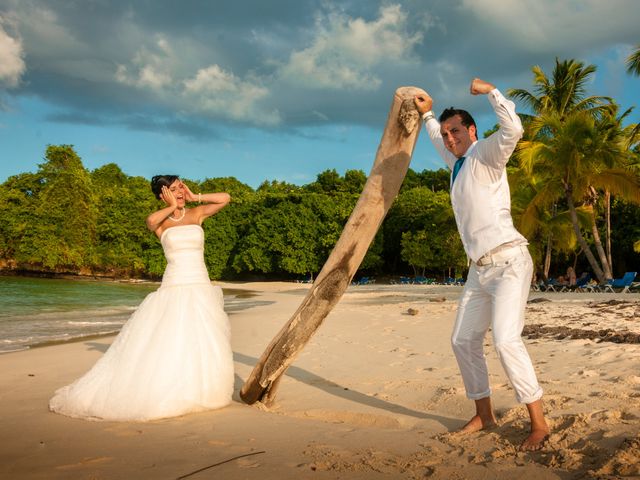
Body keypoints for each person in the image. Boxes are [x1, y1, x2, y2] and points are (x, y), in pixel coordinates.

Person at [414, 78, 549, 451]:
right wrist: (428, 114)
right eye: (446, 133)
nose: (450, 137)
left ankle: (538, 423)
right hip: (479, 269)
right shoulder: (456, 164)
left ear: (471, 130)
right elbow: (436, 141)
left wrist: (491, 92)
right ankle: (484, 414)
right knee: (462, 339)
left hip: (509, 262)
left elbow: (514, 128)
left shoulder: (487, 152)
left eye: (455, 130)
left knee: (506, 339)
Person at [49, 175, 234, 421]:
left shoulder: (197, 213)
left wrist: (194, 197)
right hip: (174, 283)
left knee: (201, 336)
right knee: (172, 337)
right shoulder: (159, 222)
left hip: (199, 282)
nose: (179, 191)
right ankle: (172, 388)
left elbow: (225, 198)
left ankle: (203, 389)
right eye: (173, 189)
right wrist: (170, 206)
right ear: (162, 194)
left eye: (181, 187)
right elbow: (150, 221)